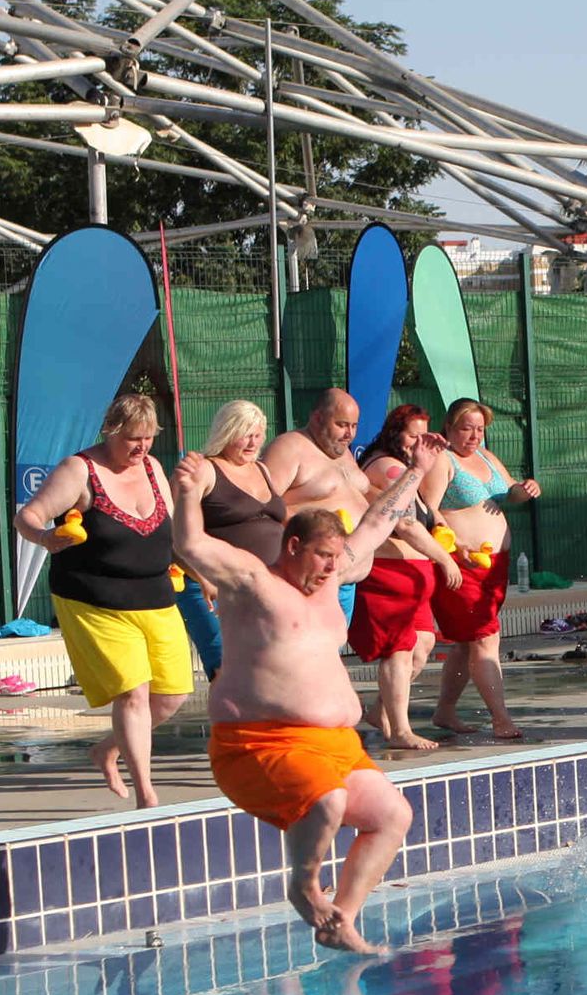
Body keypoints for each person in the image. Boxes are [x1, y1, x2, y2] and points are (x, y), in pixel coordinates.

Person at [171, 438, 435, 953]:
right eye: (323, 557)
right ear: (293, 546)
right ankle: (302, 885)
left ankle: (341, 921)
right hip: (259, 742)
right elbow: (191, 545)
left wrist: (416, 472)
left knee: (391, 816)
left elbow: (379, 520)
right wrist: (185, 493)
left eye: (338, 559)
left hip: (335, 745)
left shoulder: (333, 571)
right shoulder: (253, 582)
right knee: (328, 799)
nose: (332, 569)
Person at [14, 393, 191, 809]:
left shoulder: (152, 467)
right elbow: (28, 516)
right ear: (111, 430)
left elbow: (171, 531)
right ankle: (147, 796)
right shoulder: (80, 470)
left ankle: (108, 749)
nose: (141, 447)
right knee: (133, 692)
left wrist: (205, 573)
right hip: (95, 599)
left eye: (148, 438)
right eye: (132, 438)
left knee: (171, 695)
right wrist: (45, 538)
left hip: (155, 595)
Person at [421, 398, 540, 740]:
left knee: (465, 643)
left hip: (494, 566)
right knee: (485, 639)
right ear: (449, 427)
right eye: (466, 428)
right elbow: (429, 510)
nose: (473, 435)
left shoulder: (486, 457)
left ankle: (444, 711)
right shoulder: (443, 461)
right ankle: (501, 717)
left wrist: (525, 489)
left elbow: (509, 494)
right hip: (464, 563)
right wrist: (455, 547)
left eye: (479, 429)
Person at [354, 405, 465, 750]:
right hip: (391, 572)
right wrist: (444, 558)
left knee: (423, 646)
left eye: (422, 435)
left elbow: (422, 512)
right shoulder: (387, 466)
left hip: (412, 573)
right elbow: (404, 522)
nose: (417, 442)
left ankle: (380, 712)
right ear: (393, 432)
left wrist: (440, 524)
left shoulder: (406, 469)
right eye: (411, 435)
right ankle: (401, 731)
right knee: (400, 650)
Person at [174, 399, 285, 680]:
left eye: (257, 434)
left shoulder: (262, 470)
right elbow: (175, 534)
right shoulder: (204, 470)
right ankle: (228, 724)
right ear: (226, 431)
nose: (252, 442)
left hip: (264, 587)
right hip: (212, 585)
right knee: (228, 669)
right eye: (244, 434)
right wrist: (203, 578)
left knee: (267, 667)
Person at [262, 390, 371, 623]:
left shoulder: (343, 453)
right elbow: (264, 502)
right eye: (341, 424)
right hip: (308, 579)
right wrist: (313, 530)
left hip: (345, 581)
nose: (349, 434)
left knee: (328, 653)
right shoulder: (290, 447)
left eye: (354, 426)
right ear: (318, 418)